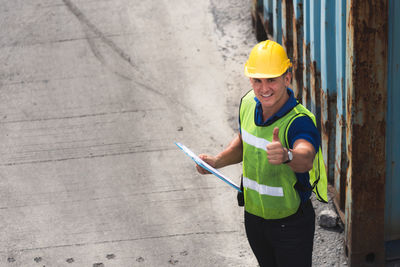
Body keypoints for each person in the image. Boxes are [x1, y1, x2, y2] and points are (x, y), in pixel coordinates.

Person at [196, 40, 328, 267]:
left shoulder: (299, 121)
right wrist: (216, 161)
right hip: (254, 218)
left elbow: (306, 157)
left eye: (271, 80)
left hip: (290, 224)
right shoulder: (248, 102)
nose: (264, 88)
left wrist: (287, 155)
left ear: (287, 78)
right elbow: (244, 142)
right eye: (257, 80)